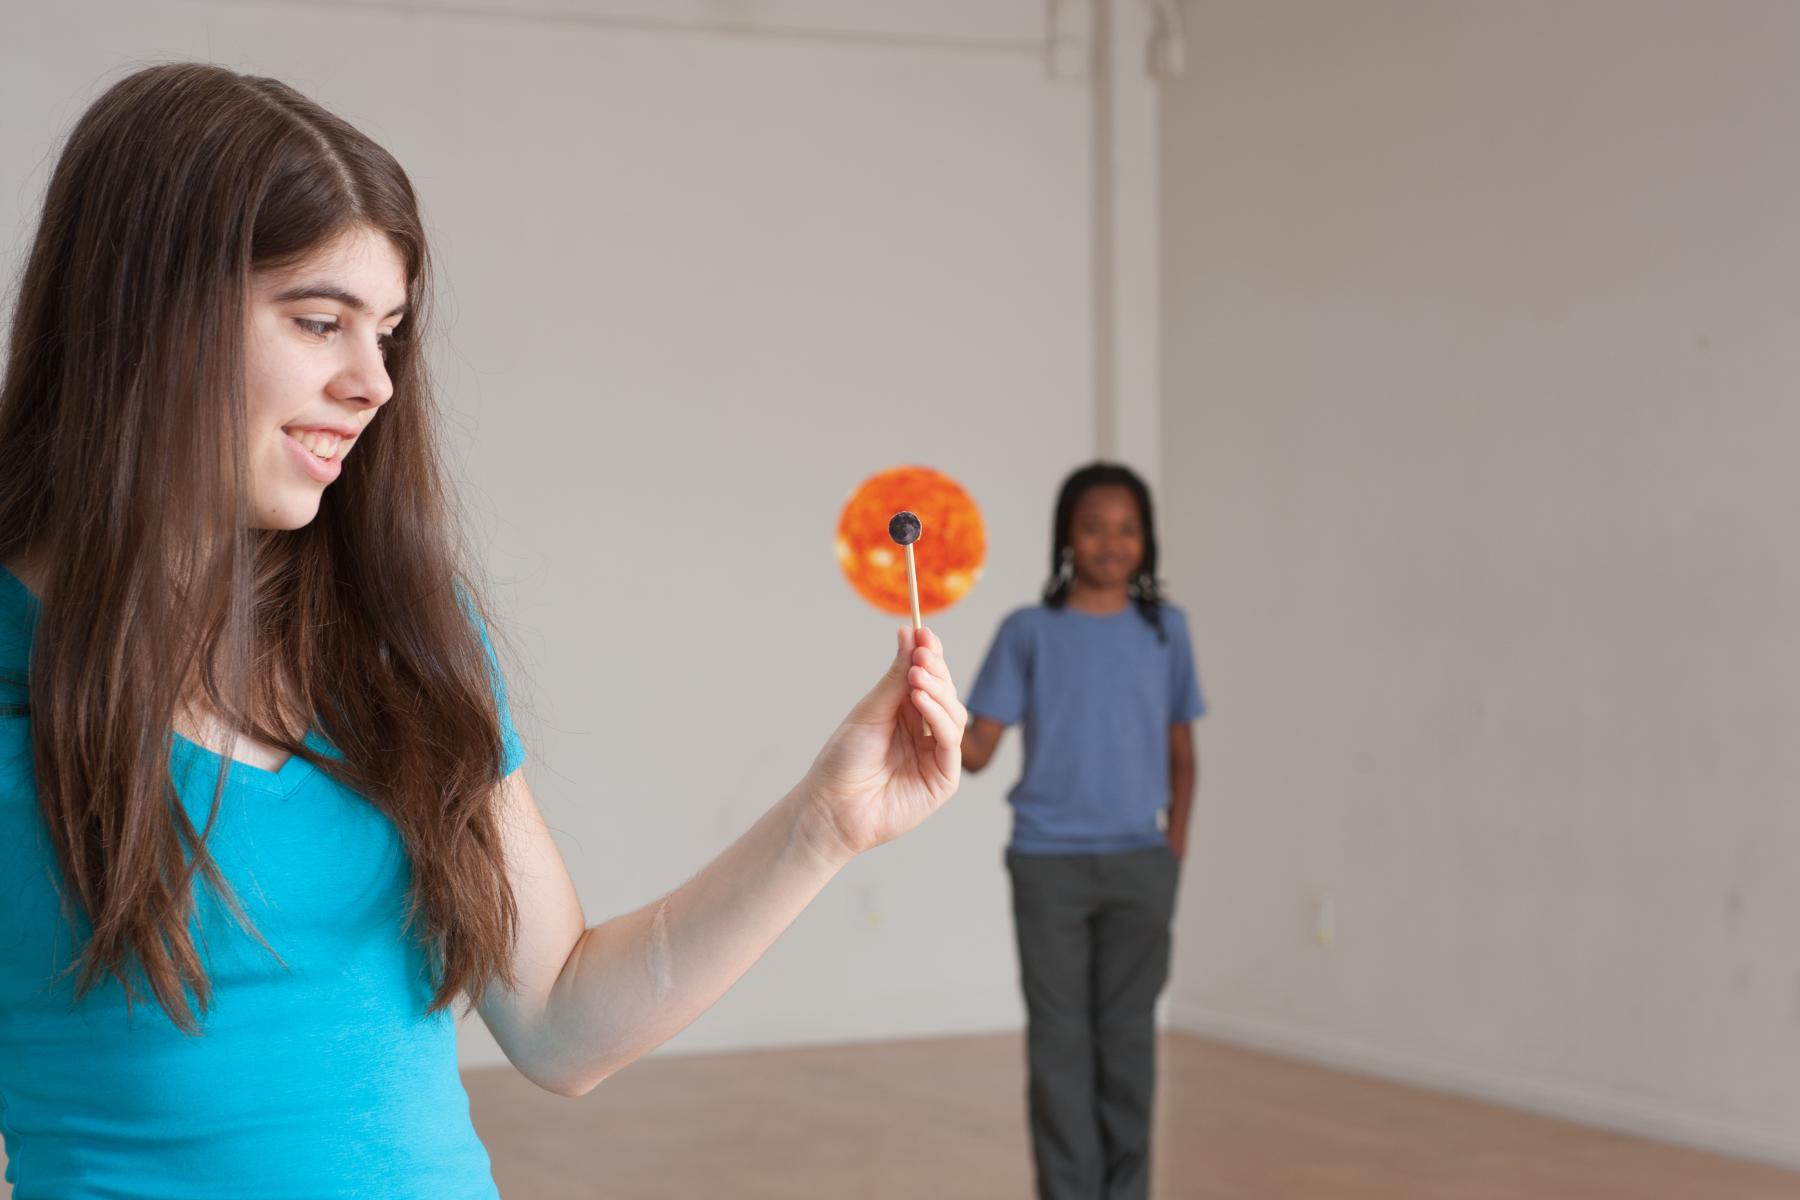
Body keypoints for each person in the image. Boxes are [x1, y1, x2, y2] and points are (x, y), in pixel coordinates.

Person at [0, 62, 966, 1199]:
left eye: (390, 333)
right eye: (320, 322)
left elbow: (559, 1019)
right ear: (145, 307)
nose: (374, 383)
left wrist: (825, 824)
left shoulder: (392, 631)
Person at [962, 462, 1205, 1200]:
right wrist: (926, 705)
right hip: (1048, 866)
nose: (1111, 541)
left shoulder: (1167, 630)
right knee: (1060, 1046)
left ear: (1147, 540)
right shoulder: (1028, 631)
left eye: (1127, 527)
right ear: (1066, 535)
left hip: (1141, 864)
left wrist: (1173, 853)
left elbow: (1184, 756)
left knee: (1129, 1045)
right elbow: (975, 753)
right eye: (1094, 526)